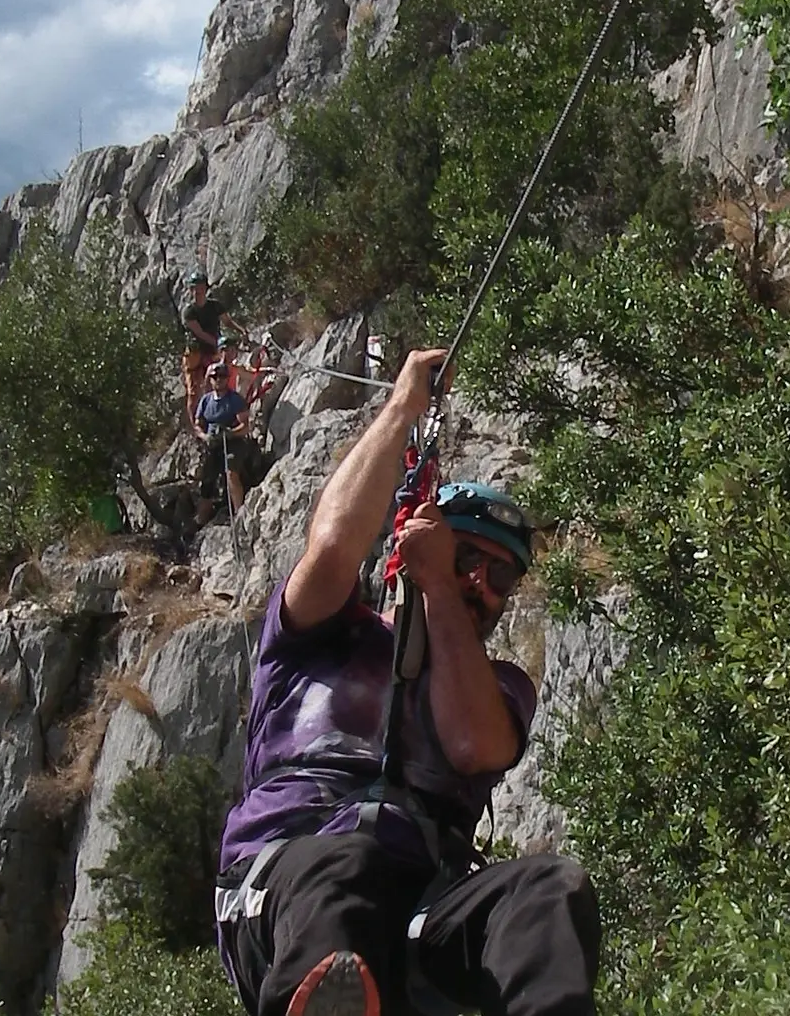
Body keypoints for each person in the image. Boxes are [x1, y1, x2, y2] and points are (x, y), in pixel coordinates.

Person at [215, 348, 600, 1016]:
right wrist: (402, 410)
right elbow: (333, 548)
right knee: (344, 867)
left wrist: (441, 590)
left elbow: (475, 748)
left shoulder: (499, 687)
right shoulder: (322, 635)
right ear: (414, 548)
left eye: (500, 576)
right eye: (466, 557)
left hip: (421, 903)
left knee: (549, 888)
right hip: (284, 889)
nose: (480, 582)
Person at [182, 269, 249, 430]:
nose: (197, 291)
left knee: (217, 383)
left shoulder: (215, 306)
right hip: (195, 353)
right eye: (194, 288)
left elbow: (227, 321)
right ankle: (196, 426)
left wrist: (241, 331)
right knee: (194, 390)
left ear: (205, 288)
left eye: (200, 287)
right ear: (191, 290)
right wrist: (220, 343)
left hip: (212, 351)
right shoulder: (189, 311)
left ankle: (221, 418)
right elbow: (199, 333)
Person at [196, 361, 254, 522]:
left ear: (227, 379)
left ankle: (238, 513)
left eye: (221, 376)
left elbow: (245, 426)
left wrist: (229, 433)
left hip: (233, 443)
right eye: (215, 377)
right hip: (213, 443)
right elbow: (197, 425)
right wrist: (205, 436)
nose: (218, 379)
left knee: (231, 472)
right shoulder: (206, 401)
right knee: (207, 479)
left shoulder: (234, 400)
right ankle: (201, 518)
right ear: (211, 380)